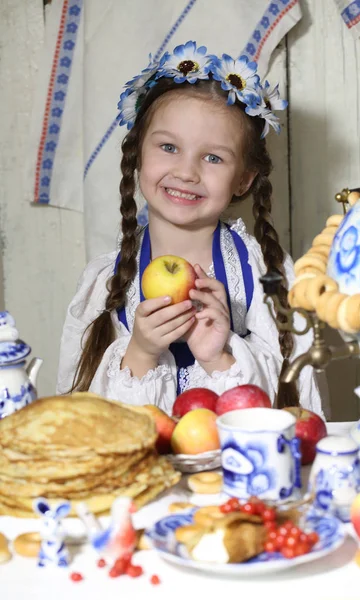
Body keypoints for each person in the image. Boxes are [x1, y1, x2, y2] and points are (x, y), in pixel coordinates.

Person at [57, 41, 323, 418]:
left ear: (244, 179)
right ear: (138, 154)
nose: (186, 172)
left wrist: (219, 356)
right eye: (168, 147)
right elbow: (81, 420)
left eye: (213, 157)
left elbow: (298, 410)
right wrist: (141, 353)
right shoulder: (104, 283)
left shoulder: (268, 276)